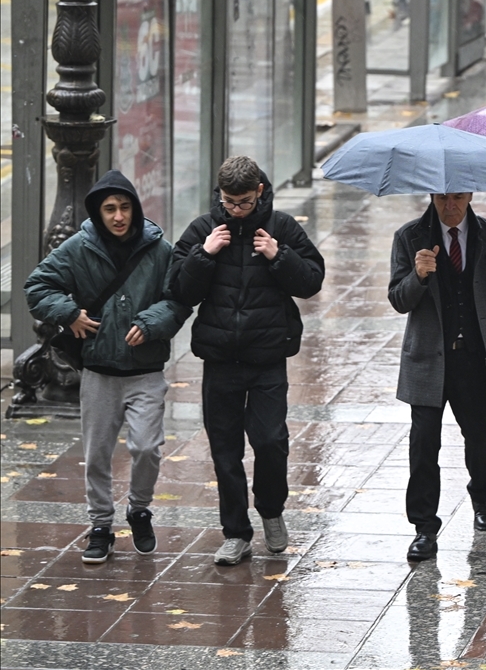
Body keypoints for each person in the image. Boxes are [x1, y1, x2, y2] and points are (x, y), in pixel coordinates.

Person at [25, 170, 191, 564]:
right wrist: (69, 314)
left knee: (147, 447)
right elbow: (37, 286)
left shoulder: (159, 249)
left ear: (135, 208)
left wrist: (151, 324)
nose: (119, 216)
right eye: (110, 209)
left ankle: (139, 510)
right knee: (97, 454)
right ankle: (101, 526)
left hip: (146, 372)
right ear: (99, 214)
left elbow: (178, 299)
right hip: (99, 372)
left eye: (125, 207)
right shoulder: (79, 248)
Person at [171, 156, 325, 565]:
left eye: (241, 202)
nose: (234, 209)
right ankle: (235, 533)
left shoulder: (283, 227)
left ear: (259, 192)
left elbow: (312, 282)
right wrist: (204, 255)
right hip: (220, 359)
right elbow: (178, 289)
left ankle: (271, 512)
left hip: (267, 358)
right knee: (225, 449)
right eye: (227, 202)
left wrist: (280, 256)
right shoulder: (205, 229)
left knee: (271, 441)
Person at [389, 192, 486, 561]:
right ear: (432, 195)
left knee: (480, 438)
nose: (449, 205)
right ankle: (424, 527)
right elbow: (398, 299)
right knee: (423, 446)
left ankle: (482, 497)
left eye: (457, 197)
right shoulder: (409, 237)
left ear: (469, 195)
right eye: (442, 197)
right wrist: (418, 276)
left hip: (475, 358)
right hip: (427, 360)